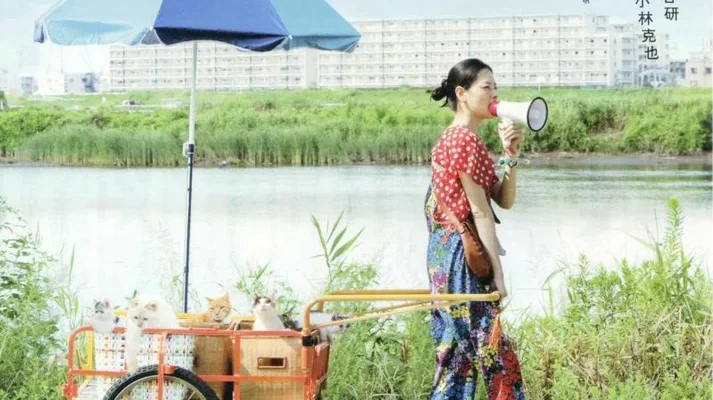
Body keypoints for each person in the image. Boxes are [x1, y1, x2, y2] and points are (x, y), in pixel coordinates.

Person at [424, 58, 525, 400]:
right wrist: (498, 275)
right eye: (486, 87)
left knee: (456, 356)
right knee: (493, 351)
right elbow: (481, 213)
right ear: (462, 93)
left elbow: (503, 199)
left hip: (447, 257)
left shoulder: (461, 139)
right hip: (462, 259)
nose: (494, 94)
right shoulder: (463, 141)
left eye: (496, 87)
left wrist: (510, 154)